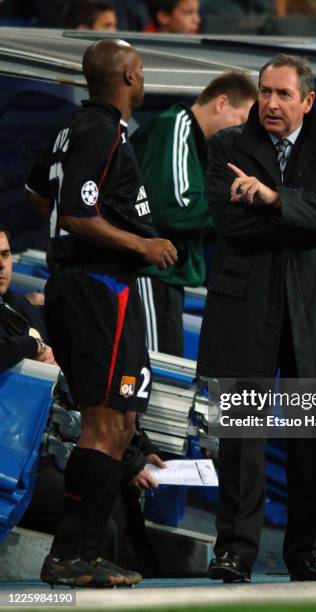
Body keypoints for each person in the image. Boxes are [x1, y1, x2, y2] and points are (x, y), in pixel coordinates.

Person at [197, 53, 316, 583]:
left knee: (309, 439)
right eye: (265, 92)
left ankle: (306, 554)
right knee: (242, 437)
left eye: (283, 94)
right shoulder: (229, 144)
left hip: (314, 311)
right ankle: (234, 551)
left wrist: (273, 198)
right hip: (247, 307)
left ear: (308, 101)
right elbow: (228, 222)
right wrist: (305, 211)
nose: (270, 103)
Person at [26, 38, 177, 588]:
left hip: (90, 285)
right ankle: (71, 554)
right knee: (105, 424)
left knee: (120, 422)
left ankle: (84, 552)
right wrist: (142, 246)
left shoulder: (75, 127)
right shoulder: (99, 130)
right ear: (131, 75)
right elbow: (74, 214)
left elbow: (38, 193)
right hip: (98, 287)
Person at [132, 71, 257, 355]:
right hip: (151, 274)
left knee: (166, 366)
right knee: (157, 368)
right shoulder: (175, 125)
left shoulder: (203, 148)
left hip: (168, 278)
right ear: (221, 103)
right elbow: (175, 209)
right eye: (241, 122)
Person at [0, 224, 55, 371]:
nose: (1, 265)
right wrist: (33, 345)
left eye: (5, 254)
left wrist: (50, 358)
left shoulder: (21, 304)